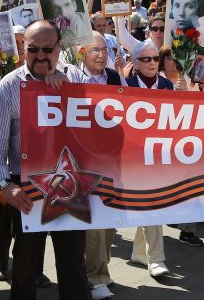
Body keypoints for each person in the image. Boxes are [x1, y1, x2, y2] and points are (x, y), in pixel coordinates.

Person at [0, 20, 90, 300]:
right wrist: (6, 186)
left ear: (59, 48)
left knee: (73, 266)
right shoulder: (8, 86)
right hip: (26, 189)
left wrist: (71, 95)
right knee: (24, 267)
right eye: (33, 49)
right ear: (23, 50)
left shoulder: (77, 79)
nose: (40, 56)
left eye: (47, 49)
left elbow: (99, 131)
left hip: (71, 185)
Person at [63, 32, 126, 299]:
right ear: (82, 53)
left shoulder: (114, 78)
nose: (102, 54)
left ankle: (101, 268)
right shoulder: (70, 78)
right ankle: (97, 276)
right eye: (95, 50)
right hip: (82, 161)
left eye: (105, 49)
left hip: (111, 159)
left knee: (109, 223)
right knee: (95, 224)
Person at [126, 39, 173, 277]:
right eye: (145, 59)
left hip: (159, 155)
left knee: (151, 203)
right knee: (151, 203)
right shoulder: (125, 85)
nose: (152, 63)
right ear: (134, 63)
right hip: (134, 157)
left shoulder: (168, 85)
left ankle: (137, 252)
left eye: (155, 58)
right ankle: (156, 259)